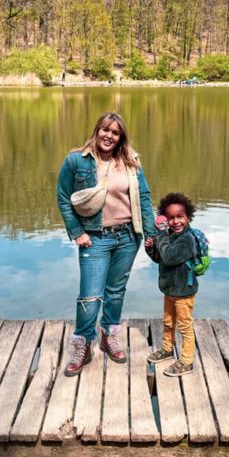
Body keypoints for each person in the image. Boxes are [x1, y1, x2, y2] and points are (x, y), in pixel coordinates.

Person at [57, 112, 155, 376]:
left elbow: (144, 199)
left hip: (127, 237)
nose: (109, 136)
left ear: (120, 137)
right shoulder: (76, 160)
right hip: (95, 237)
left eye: (115, 132)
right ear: (97, 130)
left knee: (115, 291)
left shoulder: (131, 162)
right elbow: (63, 197)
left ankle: (109, 335)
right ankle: (83, 344)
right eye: (105, 130)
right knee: (89, 295)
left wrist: (151, 234)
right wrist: (77, 231)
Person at [145, 192, 200, 377]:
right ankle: (167, 349)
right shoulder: (169, 236)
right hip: (169, 290)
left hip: (184, 292)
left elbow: (169, 257)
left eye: (180, 216)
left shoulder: (187, 239)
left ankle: (186, 360)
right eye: (170, 218)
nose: (175, 221)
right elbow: (160, 258)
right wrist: (151, 247)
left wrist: (160, 235)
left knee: (185, 327)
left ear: (188, 217)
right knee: (168, 322)